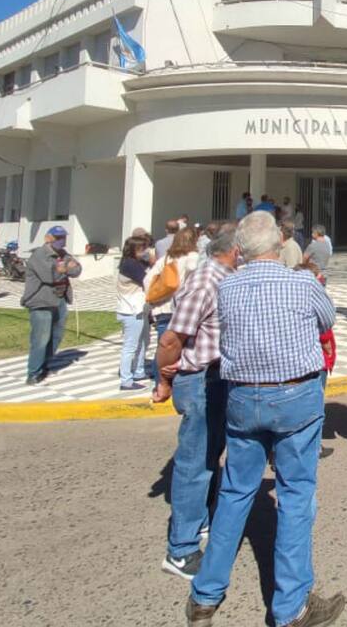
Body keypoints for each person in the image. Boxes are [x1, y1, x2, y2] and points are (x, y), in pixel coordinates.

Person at [185, 212, 345, 627]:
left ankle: (205, 594)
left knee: (236, 492)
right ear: (278, 244)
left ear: (241, 249)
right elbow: (326, 320)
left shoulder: (228, 285)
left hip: (244, 395)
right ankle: (291, 606)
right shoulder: (302, 283)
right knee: (296, 495)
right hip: (295, 394)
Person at [151, 223, 240, 581]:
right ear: (234, 250)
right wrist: (164, 378)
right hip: (200, 380)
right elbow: (172, 338)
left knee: (209, 455)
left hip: (216, 378)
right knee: (195, 462)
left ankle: (200, 522)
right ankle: (181, 548)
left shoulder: (220, 276)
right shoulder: (206, 281)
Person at [21, 226, 82, 385]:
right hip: (41, 301)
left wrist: (66, 268)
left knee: (56, 335)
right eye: (58, 237)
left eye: (63, 237)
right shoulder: (39, 255)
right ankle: (34, 372)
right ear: (49, 238)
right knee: (41, 338)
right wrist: (64, 269)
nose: (61, 240)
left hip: (59, 299)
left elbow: (77, 269)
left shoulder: (63, 254)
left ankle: (45, 364)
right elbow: (50, 275)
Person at [145, 227, 200, 362]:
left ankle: (159, 380)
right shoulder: (192, 257)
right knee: (178, 348)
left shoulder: (165, 259)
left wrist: (154, 297)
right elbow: (193, 268)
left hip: (161, 307)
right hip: (179, 307)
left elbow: (147, 280)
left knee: (162, 346)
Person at [115, 236, 153, 391]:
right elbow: (147, 280)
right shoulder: (129, 265)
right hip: (131, 310)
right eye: (142, 248)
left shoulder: (136, 263)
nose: (145, 251)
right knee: (130, 346)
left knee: (143, 342)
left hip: (140, 308)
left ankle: (139, 371)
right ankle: (126, 380)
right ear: (133, 250)